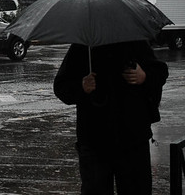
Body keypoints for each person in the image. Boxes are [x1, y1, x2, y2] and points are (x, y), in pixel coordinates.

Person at [53, 40, 168, 195]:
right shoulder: (83, 46)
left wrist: (144, 76)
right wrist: (81, 86)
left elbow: (160, 71)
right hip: (95, 139)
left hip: (132, 137)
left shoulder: (134, 41)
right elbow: (61, 86)